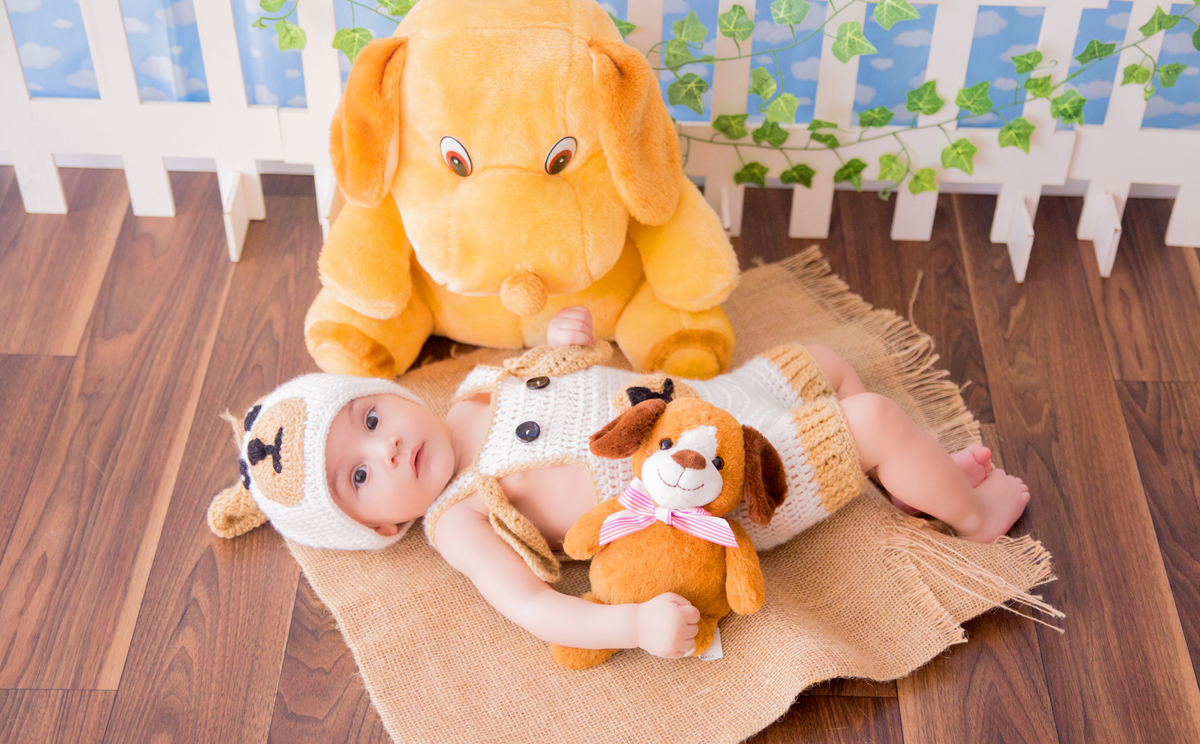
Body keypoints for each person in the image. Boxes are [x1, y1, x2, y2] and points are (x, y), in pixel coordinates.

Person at [225, 307, 1029, 660]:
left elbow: (560, 369)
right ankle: (971, 512)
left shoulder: (477, 390)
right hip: (708, 485)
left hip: (705, 404)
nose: (388, 446)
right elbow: (533, 607)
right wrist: (635, 627)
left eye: (370, 418)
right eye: (359, 474)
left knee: (825, 363)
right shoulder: (461, 516)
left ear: (388, 395)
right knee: (873, 419)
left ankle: (908, 482)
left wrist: (561, 336)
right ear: (380, 528)